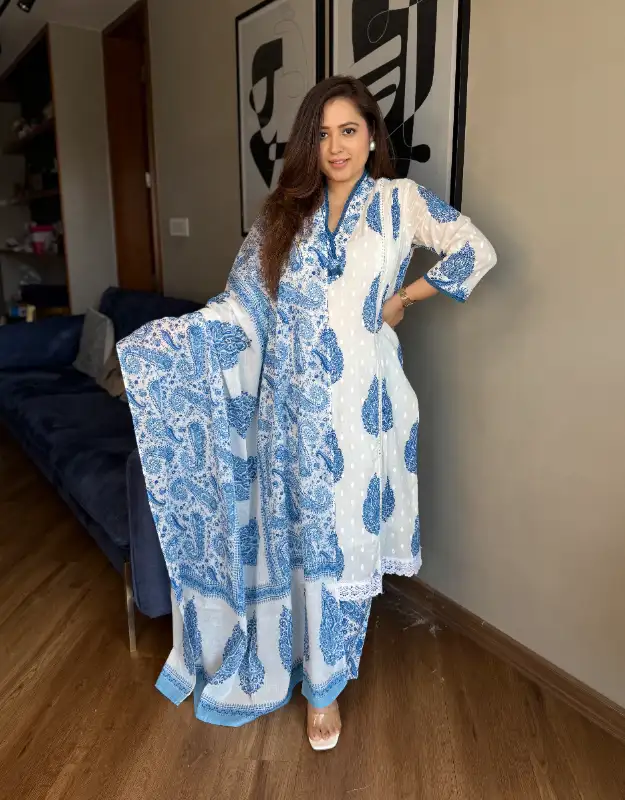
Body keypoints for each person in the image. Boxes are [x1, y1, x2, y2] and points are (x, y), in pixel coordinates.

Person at [118, 76, 496, 751]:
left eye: (348, 130)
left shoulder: (399, 202)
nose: (335, 146)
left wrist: (405, 297)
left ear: (372, 136)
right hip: (285, 413)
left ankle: (325, 689)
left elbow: (476, 249)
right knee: (290, 540)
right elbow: (242, 309)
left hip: (361, 411)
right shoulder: (283, 217)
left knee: (339, 545)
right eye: (321, 135)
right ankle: (286, 656)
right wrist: (177, 345)